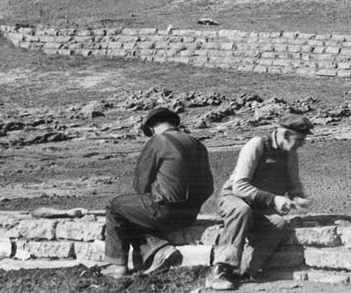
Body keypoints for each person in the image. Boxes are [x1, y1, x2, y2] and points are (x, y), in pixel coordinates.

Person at [102, 106, 214, 279]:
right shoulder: (198, 145)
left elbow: (140, 185)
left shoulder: (157, 141)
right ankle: (157, 250)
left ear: (152, 127)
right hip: (189, 215)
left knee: (115, 207)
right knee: (133, 214)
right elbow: (208, 187)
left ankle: (118, 265)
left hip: (165, 212)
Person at [207, 114, 313, 291]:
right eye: (300, 139)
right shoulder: (256, 145)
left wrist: (297, 197)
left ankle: (243, 271)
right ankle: (219, 270)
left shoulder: (290, 153)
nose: (301, 144)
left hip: (259, 205)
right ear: (286, 135)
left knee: (278, 224)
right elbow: (239, 187)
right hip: (235, 198)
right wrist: (274, 199)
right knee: (241, 211)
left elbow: (294, 183)